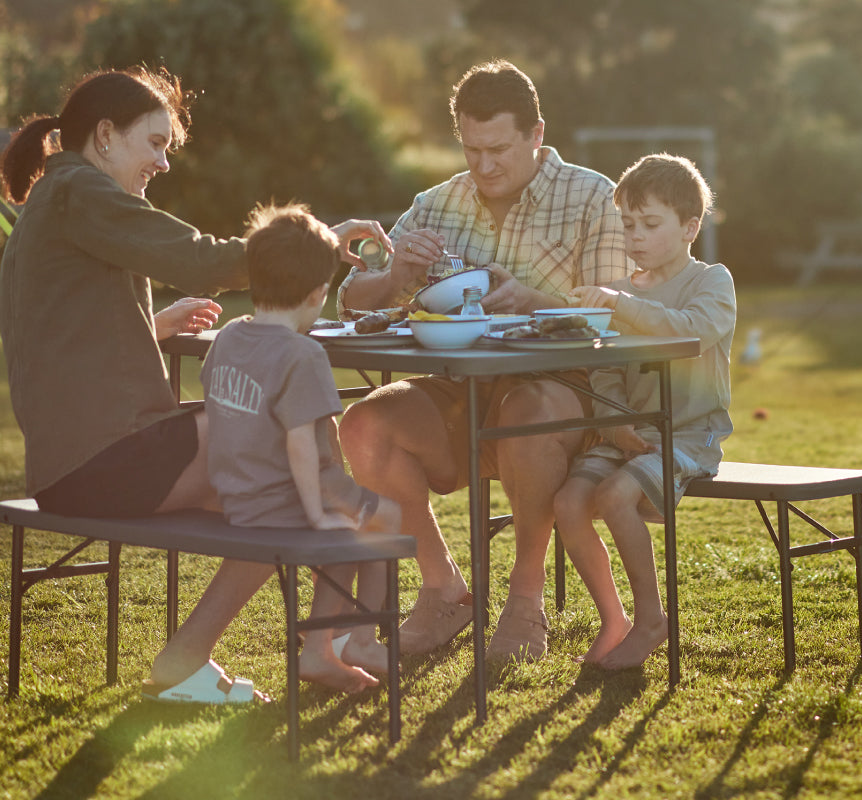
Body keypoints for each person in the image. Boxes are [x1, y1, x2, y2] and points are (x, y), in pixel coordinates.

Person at [0, 65, 389, 703]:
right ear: (104, 136)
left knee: (290, 480)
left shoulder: (59, 199)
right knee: (291, 459)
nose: (163, 162)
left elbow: (48, 335)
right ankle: (309, 643)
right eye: (154, 143)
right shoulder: (81, 195)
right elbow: (199, 258)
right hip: (99, 463)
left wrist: (146, 326)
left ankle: (321, 643)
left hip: (73, 463)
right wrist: (310, 248)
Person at [335, 60, 631, 663]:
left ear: (536, 134)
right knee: (364, 425)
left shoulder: (593, 196)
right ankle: (444, 590)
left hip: (562, 394)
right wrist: (397, 274)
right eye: (472, 150)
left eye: (498, 149)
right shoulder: (436, 202)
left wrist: (533, 300)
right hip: (456, 390)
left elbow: (613, 318)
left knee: (524, 412)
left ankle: (525, 600)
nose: (484, 165)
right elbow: (353, 301)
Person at [197, 202, 402, 695]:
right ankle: (356, 640)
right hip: (285, 498)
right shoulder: (302, 353)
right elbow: (302, 449)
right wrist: (316, 513)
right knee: (384, 517)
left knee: (351, 525)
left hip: (238, 493)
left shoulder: (227, 338)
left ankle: (322, 649)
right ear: (318, 294)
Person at [554, 153, 736, 670]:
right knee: (567, 502)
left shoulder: (712, 282)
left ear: (689, 227)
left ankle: (652, 618)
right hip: (630, 433)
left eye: (650, 224)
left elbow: (691, 331)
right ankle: (615, 619)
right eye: (628, 224)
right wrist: (618, 419)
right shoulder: (626, 292)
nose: (635, 236)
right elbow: (608, 366)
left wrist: (618, 303)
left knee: (614, 494)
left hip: (687, 435)